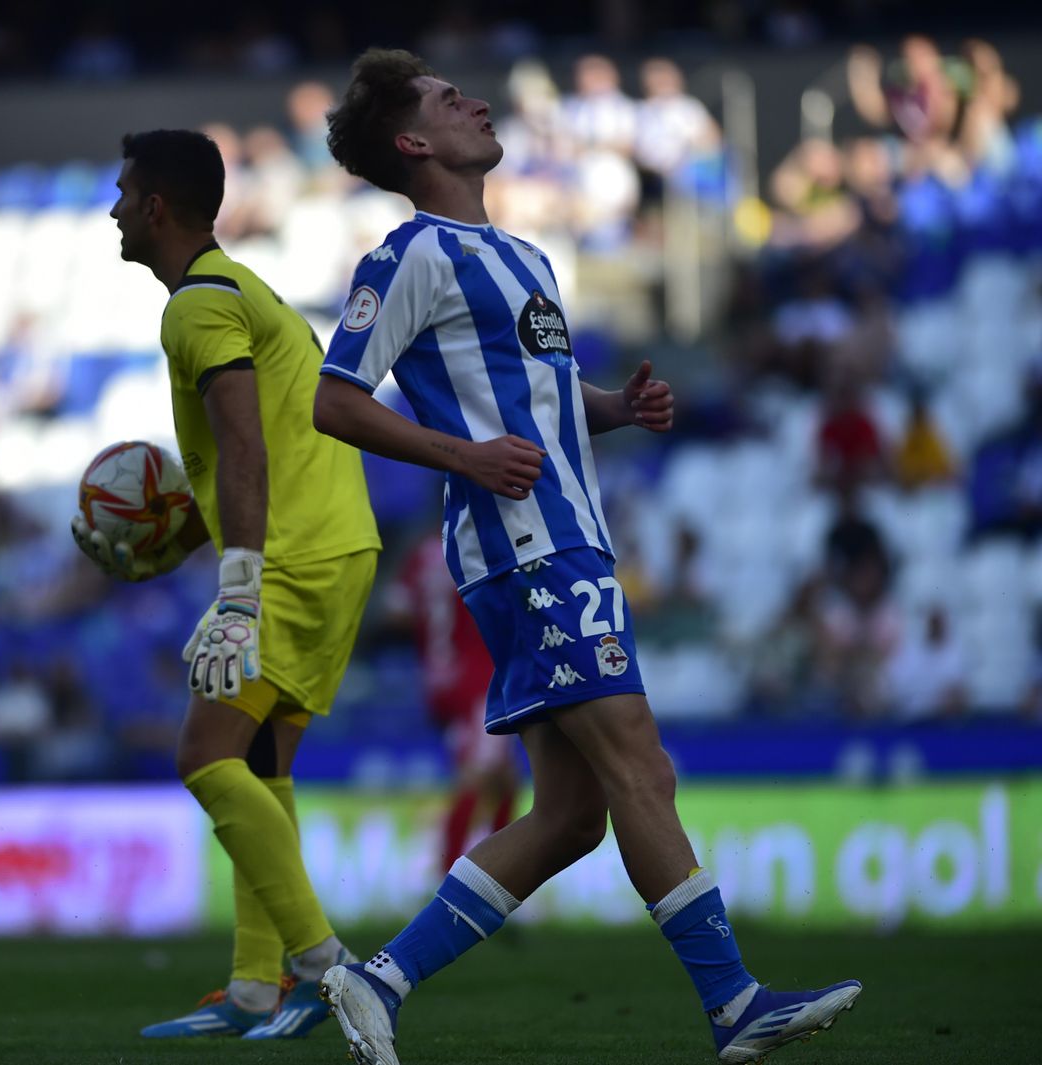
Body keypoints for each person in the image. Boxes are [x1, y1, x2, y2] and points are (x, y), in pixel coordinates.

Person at [310, 49, 861, 1065]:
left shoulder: (526, 256)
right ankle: (733, 1003)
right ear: (412, 142)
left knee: (569, 816)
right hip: (527, 545)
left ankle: (378, 980)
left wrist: (616, 407)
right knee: (640, 763)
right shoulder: (409, 256)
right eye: (448, 99)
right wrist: (463, 455)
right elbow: (333, 400)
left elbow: (542, 400)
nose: (477, 102)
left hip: (569, 536)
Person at [70, 129, 383, 1040]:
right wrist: (186, 540)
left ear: (156, 206)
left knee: (204, 757)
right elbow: (264, 446)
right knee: (259, 766)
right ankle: (253, 988)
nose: (114, 209)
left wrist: (238, 588)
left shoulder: (198, 307)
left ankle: (329, 969)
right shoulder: (239, 289)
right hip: (333, 541)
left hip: (292, 554)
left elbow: (245, 445)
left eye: (123, 193)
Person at [389, 535, 518, 875]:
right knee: (479, 775)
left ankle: (505, 874)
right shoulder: (481, 547)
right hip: (478, 678)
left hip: (438, 677)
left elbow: (396, 611)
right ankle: (450, 877)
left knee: (505, 778)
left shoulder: (422, 554)